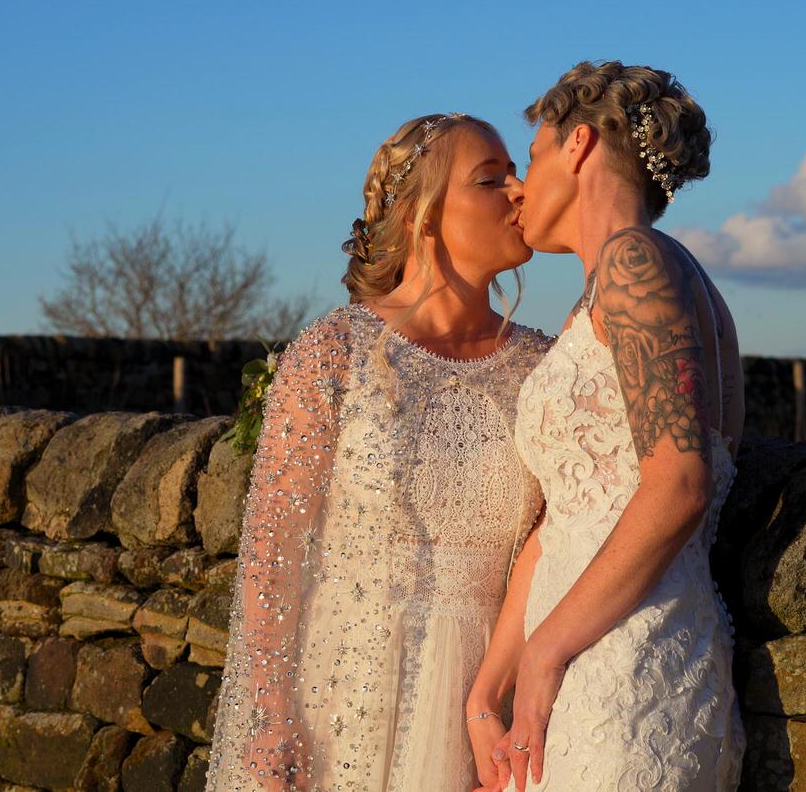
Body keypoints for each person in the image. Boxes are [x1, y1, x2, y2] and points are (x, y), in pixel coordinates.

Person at [206, 113, 557, 790]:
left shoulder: (543, 368)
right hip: (343, 699)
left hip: (487, 705)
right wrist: (270, 714)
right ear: (424, 216)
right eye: (492, 179)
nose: (519, 190)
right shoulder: (333, 354)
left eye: (515, 172)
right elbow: (273, 554)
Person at [468, 62, 746, 791]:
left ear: (579, 144)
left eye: (530, 157)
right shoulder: (609, 290)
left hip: (628, 661)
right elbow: (567, 519)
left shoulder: (636, 262)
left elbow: (681, 485)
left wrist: (546, 651)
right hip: (575, 660)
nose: (520, 187)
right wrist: (486, 689)